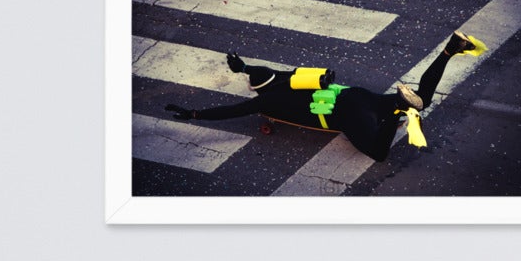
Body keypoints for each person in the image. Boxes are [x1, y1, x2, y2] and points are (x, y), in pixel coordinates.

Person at [164, 33, 486, 160]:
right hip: (355, 96)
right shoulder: (290, 78)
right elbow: (260, 72)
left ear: (256, 92)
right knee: (424, 99)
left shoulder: (264, 102)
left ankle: (399, 109)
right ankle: (450, 49)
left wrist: (195, 115)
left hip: (345, 115)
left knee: (378, 152)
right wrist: (243, 66)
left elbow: (231, 111)